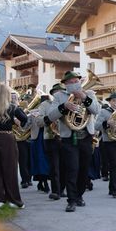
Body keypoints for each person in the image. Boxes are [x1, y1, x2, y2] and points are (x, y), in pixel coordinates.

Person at [47, 70, 100, 212]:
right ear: (65, 85)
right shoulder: (59, 96)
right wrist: (64, 107)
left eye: (76, 81)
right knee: (72, 169)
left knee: (83, 170)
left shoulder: (89, 94)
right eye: (70, 83)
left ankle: (79, 195)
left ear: (80, 81)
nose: (73, 84)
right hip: (69, 138)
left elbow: (95, 110)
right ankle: (71, 200)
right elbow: (51, 116)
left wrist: (84, 98)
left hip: (86, 137)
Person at [0, 84, 27, 209]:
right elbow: (24, 119)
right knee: (10, 170)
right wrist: (14, 122)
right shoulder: (13, 108)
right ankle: (14, 201)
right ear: (6, 94)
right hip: (7, 139)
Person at [96, 91, 116, 198]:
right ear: (110, 102)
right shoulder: (104, 112)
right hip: (109, 141)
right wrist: (107, 123)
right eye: (113, 101)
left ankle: (112, 188)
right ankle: (114, 189)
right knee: (113, 165)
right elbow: (97, 126)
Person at [42, 83, 65, 200]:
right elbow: (38, 121)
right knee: (54, 167)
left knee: (65, 166)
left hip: (65, 138)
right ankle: (56, 191)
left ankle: (62, 189)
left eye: (61, 92)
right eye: (57, 92)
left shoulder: (67, 104)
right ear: (53, 93)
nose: (59, 94)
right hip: (51, 138)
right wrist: (49, 120)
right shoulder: (45, 105)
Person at [13, 92, 32, 189]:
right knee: (18, 160)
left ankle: (26, 179)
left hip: (22, 138)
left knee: (24, 160)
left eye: (14, 97)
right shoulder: (8, 109)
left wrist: (20, 124)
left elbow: (25, 121)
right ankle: (25, 180)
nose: (13, 99)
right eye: (11, 97)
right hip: (13, 137)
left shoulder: (19, 109)